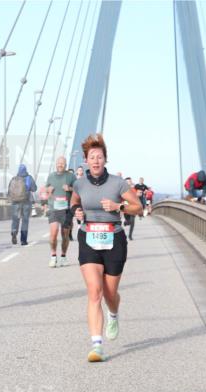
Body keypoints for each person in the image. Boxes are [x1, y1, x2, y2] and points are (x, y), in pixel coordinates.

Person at [69, 134, 143, 362]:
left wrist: (118, 206)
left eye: (99, 157)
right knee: (95, 292)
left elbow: (138, 207)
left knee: (110, 294)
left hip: (114, 240)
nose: (96, 161)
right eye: (92, 157)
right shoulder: (79, 183)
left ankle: (113, 313)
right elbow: (74, 202)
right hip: (88, 238)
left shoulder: (118, 183)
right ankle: (97, 346)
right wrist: (76, 212)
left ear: (105, 159)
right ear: (86, 160)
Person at [44, 155, 75, 267]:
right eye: (58, 163)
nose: (60, 165)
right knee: (53, 233)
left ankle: (63, 256)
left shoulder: (71, 176)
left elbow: (77, 190)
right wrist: (48, 190)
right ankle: (53, 256)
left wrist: (70, 188)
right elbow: (45, 190)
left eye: (62, 163)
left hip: (66, 209)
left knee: (65, 235)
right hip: (54, 208)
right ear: (56, 164)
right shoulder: (51, 176)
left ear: (65, 165)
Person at [8, 163, 36, 245]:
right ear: (26, 170)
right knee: (25, 220)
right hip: (26, 201)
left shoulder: (14, 179)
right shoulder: (29, 178)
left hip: (15, 202)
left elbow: (9, 190)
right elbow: (34, 189)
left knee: (15, 218)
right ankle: (23, 240)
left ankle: (14, 232)